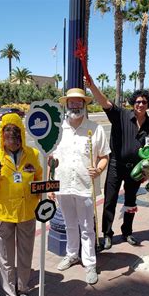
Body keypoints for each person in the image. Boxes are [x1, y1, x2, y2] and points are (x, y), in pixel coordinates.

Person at [85, 77, 149, 249]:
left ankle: (127, 232)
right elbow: (105, 102)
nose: (141, 104)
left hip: (136, 170)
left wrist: (147, 171)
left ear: (148, 104)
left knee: (131, 202)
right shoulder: (121, 115)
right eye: (138, 101)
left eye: (144, 102)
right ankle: (107, 234)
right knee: (110, 200)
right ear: (133, 103)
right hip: (116, 166)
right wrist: (92, 87)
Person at [49, 88, 110, 285]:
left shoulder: (95, 129)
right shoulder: (57, 130)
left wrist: (99, 170)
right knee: (69, 224)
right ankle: (72, 254)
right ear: (66, 105)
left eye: (79, 102)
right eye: (71, 102)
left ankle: (90, 262)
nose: (75, 106)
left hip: (85, 186)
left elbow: (104, 156)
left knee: (86, 227)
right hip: (63, 185)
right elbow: (51, 160)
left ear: (84, 105)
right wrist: (50, 186)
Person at [0, 113, 42, 296]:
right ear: (2, 135)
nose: (11, 139)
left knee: (25, 254)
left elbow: (39, 179)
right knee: (6, 257)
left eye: (15, 135)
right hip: (4, 214)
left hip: (27, 213)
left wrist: (43, 196)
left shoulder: (32, 154)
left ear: (21, 135)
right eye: (7, 134)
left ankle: (23, 288)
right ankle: (9, 292)